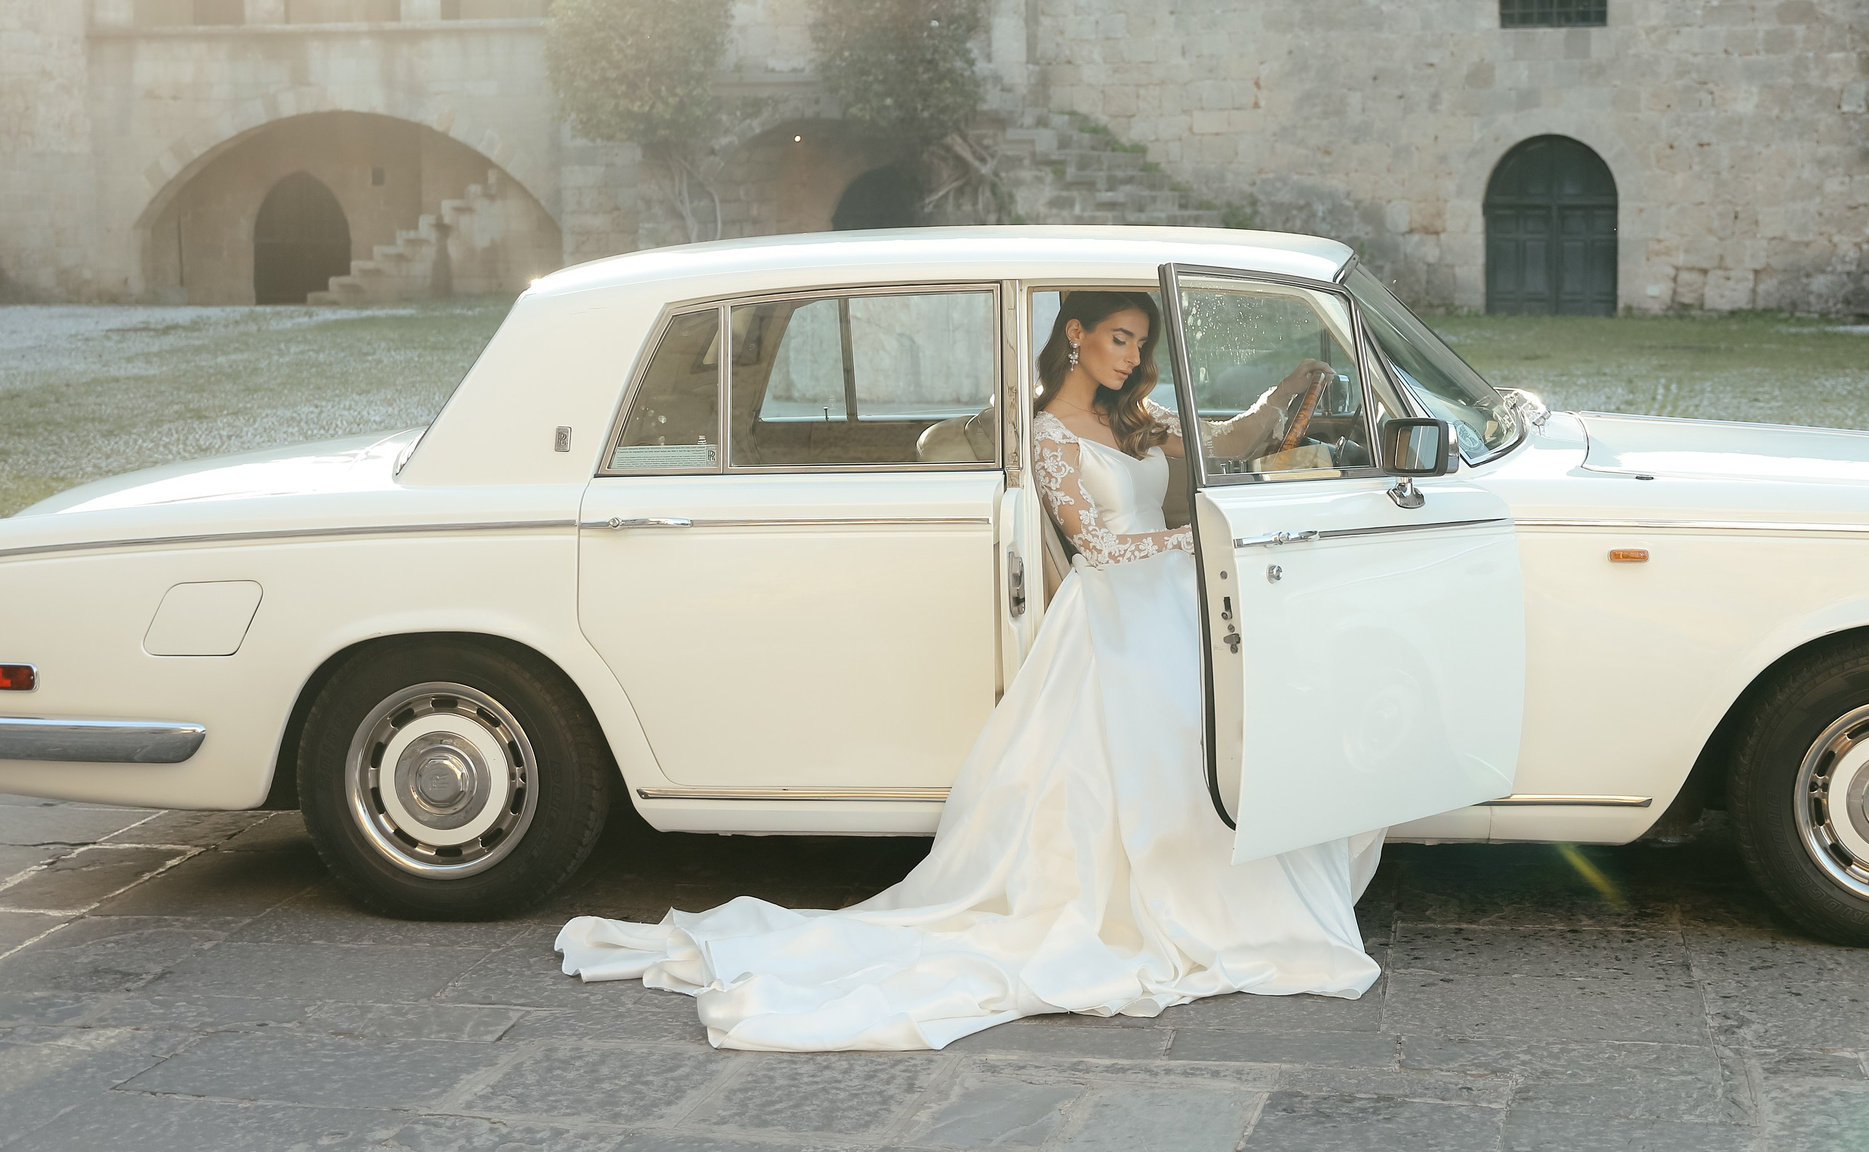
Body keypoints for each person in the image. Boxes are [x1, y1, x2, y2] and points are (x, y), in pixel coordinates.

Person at [552, 290, 1381, 1051]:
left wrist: (1285, 399)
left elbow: (1226, 442)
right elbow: (1099, 544)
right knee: (1129, 774)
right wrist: (1194, 542)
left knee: (1213, 758)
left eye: (1140, 343)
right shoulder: (1052, 434)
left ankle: (1218, 889)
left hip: (1170, 607)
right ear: (1075, 334)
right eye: (1118, 339)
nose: (1130, 356)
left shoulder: (1132, 415)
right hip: (1113, 617)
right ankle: (1172, 906)